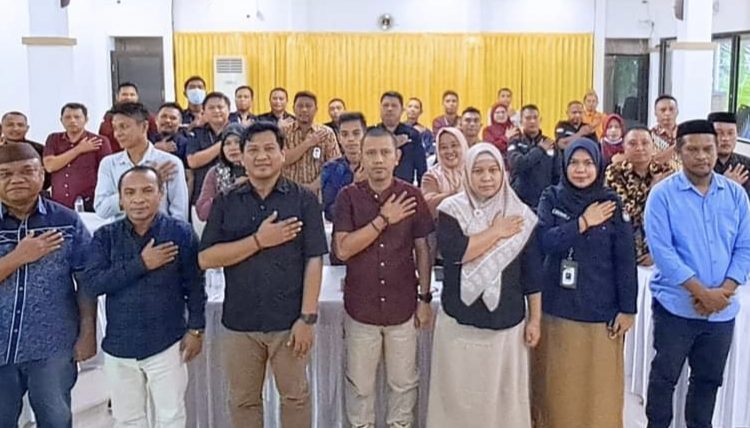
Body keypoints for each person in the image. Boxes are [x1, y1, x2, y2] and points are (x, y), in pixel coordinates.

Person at [198, 121, 327, 428]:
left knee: (295, 398)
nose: (261, 156)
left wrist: (308, 318)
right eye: (253, 150)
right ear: (241, 157)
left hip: (289, 321)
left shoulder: (303, 200)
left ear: (283, 154)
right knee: (243, 401)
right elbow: (205, 258)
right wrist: (258, 241)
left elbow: (314, 260)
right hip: (240, 322)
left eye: (269, 149)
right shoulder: (226, 200)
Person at [644, 119, 750, 428]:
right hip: (676, 308)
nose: (702, 156)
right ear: (678, 152)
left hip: (721, 312)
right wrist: (702, 293)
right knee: (664, 379)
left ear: (717, 150)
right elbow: (663, 252)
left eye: (708, 149)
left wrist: (722, 293)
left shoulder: (736, 195)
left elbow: (745, 247)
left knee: (708, 381)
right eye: (693, 149)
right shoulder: (662, 195)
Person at [427, 143, 541, 428]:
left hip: (506, 325)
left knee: (503, 403)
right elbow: (457, 253)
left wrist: (535, 320)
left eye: (493, 170)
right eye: (478, 171)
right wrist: (496, 231)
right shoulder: (451, 210)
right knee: (457, 403)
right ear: (467, 173)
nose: (487, 178)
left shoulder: (521, 214)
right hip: (460, 325)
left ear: (504, 173)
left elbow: (532, 275)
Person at [82, 165, 205, 428]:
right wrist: (141, 264)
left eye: (147, 190)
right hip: (120, 345)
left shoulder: (180, 233)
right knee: (127, 419)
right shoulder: (105, 237)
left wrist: (196, 329)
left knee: (171, 417)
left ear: (161, 194)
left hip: (168, 342)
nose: (138, 199)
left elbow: (195, 285)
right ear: (121, 199)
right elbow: (92, 284)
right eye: (130, 193)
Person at [333, 126, 434, 428]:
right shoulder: (348, 197)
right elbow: (342, 249)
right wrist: (383, 220)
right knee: (360, 387)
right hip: (360, 308)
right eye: (371, 153)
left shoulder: (411, 195)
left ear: (396, 157)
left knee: (404, 385)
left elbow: (423, 249)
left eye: (385, 153)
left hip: (403, 306)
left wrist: (425, 298)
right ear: (361, 157)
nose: (378, 160)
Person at [533, 138, 637, 428]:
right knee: (557, 389)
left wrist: (628, 309)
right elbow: (543, 241)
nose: (581, 170)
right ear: (564, 166)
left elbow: (625, 259)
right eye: (575, 163)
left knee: (598, 392)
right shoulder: (551, 197)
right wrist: (581, 223)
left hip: (600, 314)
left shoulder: (611, 202)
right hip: (557, 311)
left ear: (598, 166)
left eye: (588, 163)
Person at [0, 143, 96, 428]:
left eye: (27, 171)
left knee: (55, 420)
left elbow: (86, 279)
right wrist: (17, 257)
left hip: (52, 344)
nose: (16, 180)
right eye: (5, 174)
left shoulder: (66, 221)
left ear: (42, 175)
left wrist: (88, 332)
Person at [94, 102, 189, 221]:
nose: (117, 134)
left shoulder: (169, 163)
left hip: (162, 230)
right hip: (121, 231)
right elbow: (101, 209)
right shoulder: (109, 164)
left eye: (124, 126)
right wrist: (144, 183)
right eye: (115, 128)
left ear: (144, 127)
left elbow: (179, 213)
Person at [605, 127, 675, 267]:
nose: (639, 148)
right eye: (632, 143)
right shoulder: (614, 172)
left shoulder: (667, 173)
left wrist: (657, 253)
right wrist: (653, 190)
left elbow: (673, 217)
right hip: (622, 250)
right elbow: (626, 213)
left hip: (659, 253)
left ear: (653, 146)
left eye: (645, 143)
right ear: (624, 147)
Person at [43, 102, 113, 211]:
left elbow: (107, 173)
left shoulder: (99, 141)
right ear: (61, 120)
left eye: (77, 117)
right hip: (59, 204)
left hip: (89, 203)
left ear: (86, 119)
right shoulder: (53, 139)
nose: (72, 121)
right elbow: (50, 166)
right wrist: (79, 149)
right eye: (67, 117)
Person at [281, 91, 340, 194]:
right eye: (300, 106)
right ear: (293, 108)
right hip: (288, 191)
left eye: (308, 106)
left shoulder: (326, 133)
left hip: (318, 193)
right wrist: (307, 143)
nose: (304, 110)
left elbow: (334, 165)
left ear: (316, 109)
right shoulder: (283, 132)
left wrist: (314, 186)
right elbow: (283, 159)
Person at [507, 104, 560, 209]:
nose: (532, 121)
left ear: (540, 120)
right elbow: (518, 164)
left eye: (535, 118)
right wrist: (539, 150)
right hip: (520, 203)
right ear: (521, 121)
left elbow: (558, 174)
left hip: (544, 202)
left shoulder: (550, 143)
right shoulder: (515, 142)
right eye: (528, 118)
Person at [195, 123, 246, 221]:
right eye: (227, 143)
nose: (232, 147)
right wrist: (230, 189)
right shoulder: (215, 173)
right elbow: (202, 213)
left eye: (237, 142)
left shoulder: (256, 171)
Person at [186, 91, 231, 205]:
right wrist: (223, 143)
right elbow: (193, 161)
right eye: (211, 108)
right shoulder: (196, 133)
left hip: (233, 196)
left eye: (220, 107)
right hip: (202, 197)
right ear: (204, 112)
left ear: (229, 110)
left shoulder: (239, 131)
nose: (216, 111)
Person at [321, 112, 366, 222]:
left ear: (365, 135)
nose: (351, 139)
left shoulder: (377, 167)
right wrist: (354, 186)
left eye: (356, 133)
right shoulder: (330, 169)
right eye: (345, 134)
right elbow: (330, 213)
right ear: (339, 138)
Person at [378, 91, 427, 185]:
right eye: (386, 105)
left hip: (405, 188)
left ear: (402, 110)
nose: (389, 109)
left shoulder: (413, 135)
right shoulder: (372, 135)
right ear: (380, 109)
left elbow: (421, 167)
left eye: (394, 106)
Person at [421, 127, 469, 218]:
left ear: (463, 146)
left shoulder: (475, 171)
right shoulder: (431, 176)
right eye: (443, 147)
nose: (449, 151)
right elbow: (429, 205)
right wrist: (459, 193)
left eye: (454, 145)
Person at [99, 82, 158, 153]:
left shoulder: (148, 118)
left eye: (132, 95)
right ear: (117, 97)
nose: (128, 98)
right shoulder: (108, 120)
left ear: (137, 97)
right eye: (124, 94)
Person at [0, 112, 50, 191]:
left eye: (20, 125)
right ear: (1, 128)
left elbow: (48, 175)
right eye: (10, 125)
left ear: (27, 128)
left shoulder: (39, 149)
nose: (15, 128)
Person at [708, 111, 750, 196]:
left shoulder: (747, 165)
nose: (725, 138)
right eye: (719, 133)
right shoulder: (700, 165)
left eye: (730, 133)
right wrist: (725, 184)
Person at [650, 95, 679, 164]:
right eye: (663, 110)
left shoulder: (685, 134)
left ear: (677, 112)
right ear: (655, 113)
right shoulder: (649, 136)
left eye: (671, 109)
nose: (667, 113)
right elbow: (654, 161)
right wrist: (677, 146)